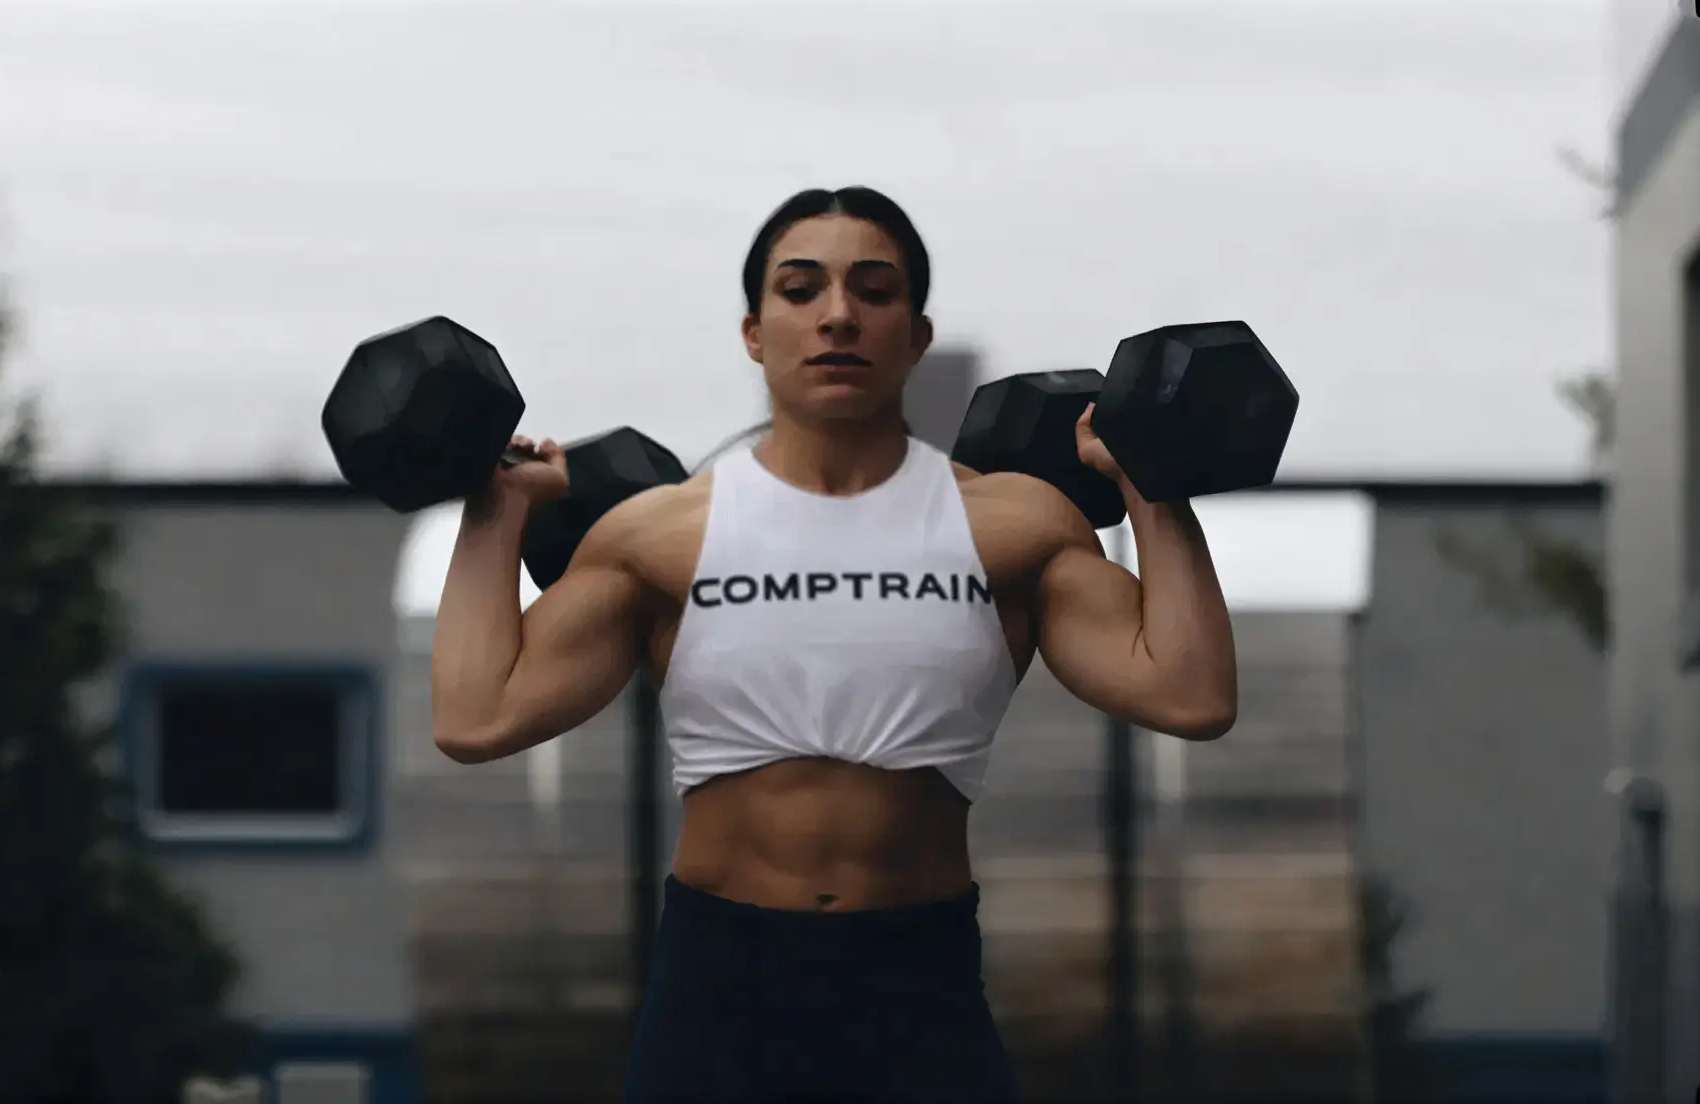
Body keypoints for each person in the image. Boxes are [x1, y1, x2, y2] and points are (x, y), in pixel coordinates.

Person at [430, 186, 1238, 1102]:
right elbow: (476, 716)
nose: (839, 315)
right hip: (718, 988)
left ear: (918, 335)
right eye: (801, 289)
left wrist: (1150, 485)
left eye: (875, 291)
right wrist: (497, 513)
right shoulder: (657, 535)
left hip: (918, 985)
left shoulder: (1016, 525)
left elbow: (1192, 694)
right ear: (753, 332)